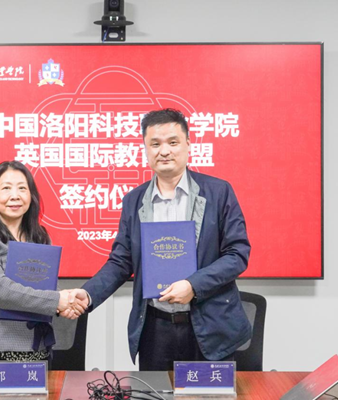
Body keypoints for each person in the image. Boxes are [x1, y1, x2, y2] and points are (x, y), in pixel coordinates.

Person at [69, 109, 252, 371]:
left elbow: (237, 254)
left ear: (188, 144)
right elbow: (121, 262)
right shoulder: (134, 201)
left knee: (207, 392)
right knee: (154, 390)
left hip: (210, 327)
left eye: (172, 142)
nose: (164, 151)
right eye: (155, 144)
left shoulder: (218, 192)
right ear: (146, 149)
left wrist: (193, 285)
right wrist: (88, 294)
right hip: (155, 330)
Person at [0, 161, 86, 371]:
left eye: (22, 188)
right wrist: (58, 300)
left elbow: (43, 289)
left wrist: (66, 303)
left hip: (37, 350)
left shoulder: (40, 237)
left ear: (31, 195)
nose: (15, 195)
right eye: (6, 188)